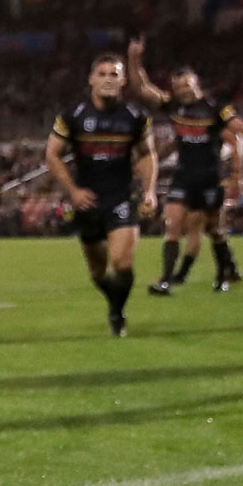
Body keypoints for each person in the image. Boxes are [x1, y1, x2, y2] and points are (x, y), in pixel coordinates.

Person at [127, 37, 243, 295]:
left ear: (196, 82)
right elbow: (142, 87)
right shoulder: (175, 106)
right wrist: (134, 58)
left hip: (210, 179)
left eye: (187, 85)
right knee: (173, 225)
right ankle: (166, 280)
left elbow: (242, 130)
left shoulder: (215, 109)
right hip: (183, 177)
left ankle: (223, 275)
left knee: (216, 231)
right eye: (178, 87)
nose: (183, 91)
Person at [46, 53, 158, 337]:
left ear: (122, 81)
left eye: (114, 74)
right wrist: (73, 191)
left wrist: (149, 190)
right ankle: (115, 303)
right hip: (88, 202)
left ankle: (117, 313)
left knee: (122, 263)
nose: (108, 79)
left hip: (121, 197)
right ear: (91, 80)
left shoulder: (135, 116)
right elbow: (53, 154)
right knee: (98, 273)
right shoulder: (74, 115)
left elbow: (147, 154)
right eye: (103, 74)